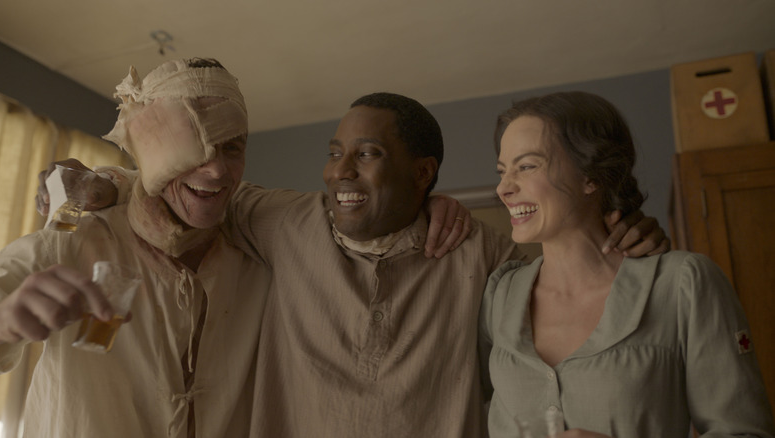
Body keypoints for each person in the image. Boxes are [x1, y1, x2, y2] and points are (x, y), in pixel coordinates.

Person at [39, 92, 669, 437]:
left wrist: (629, 231)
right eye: (335, 151)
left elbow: (573, 278)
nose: (338, 172)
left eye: (365, 155)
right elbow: (188, 187)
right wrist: (101, 180)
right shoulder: (285, 222)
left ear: (423, 175)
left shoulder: (481, 253)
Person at [0, 58, 272, 437]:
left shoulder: (258, 259)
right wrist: (3, 322)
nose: (217, 171)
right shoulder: (72, 243)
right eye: (193, 148)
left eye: (232, 148)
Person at [479, 91, 775, 437]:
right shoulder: (499, 295)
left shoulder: (682, 284)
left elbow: (746, 432)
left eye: (527, 166)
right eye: (503, 170)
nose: (504, 188)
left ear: (591, 175)